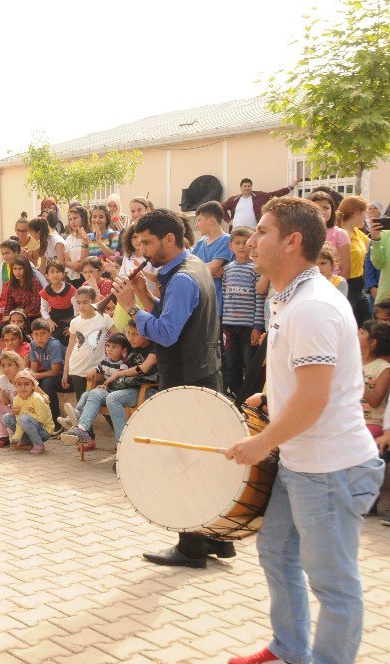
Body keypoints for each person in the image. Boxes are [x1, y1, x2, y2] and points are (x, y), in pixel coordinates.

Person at [224, 196, 385, 664]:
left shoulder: (312, 307)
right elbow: (307, 381)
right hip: (303, 463)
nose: (252, 242)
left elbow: (314, 400)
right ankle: (289, 648)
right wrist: (270, 397)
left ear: (293, 241)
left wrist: (259, 444)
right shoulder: (289, 296)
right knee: (276, 552)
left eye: (264, 233)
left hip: (331, 469)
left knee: (335, 586)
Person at [112, 208, 234, 569]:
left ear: (169, 239)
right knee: (204, 460)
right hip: (201, 374)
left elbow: (165, 333)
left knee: (186, 462)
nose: (144, 251)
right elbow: (169, 315)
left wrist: (131, 310)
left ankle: (191, 548)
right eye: (139, 244)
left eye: (147, 242)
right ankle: (218, 541)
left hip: (188, 380)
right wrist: (142, 293)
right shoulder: (192, 266)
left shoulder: (181, 278)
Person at [60, 333, 131, 450]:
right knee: (87, 393)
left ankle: (76, 417)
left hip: (115, 392)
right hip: (104, 391)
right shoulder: (105, 360)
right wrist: (93, 370)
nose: (110, 349)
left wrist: (105, 386)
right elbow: (98, 368)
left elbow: (120, 382)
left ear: (123, 350)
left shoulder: (123, 364)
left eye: (114, 347)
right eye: (108, 346)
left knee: (91, 393)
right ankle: (74, 415)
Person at [219, 226, 266, 398]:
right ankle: (236, 398)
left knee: (250, 364)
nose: (241, 247)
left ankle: (251, 399)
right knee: (231, 364)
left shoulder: (256, 269)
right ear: (230, 246)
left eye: (245, 243)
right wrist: (224, 322)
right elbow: (225, 295)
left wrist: (257, 326)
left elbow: (259, 298)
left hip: (248, 327)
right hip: (229, 326)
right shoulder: (228, 269)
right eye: (237, 243)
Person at [61, 286, 113, 401]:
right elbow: (70, 347)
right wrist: (65, 372)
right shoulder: (75, 322)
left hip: (97, 368)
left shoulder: (104, 318)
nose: (81, 306)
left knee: (100, 400)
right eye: (78, 303)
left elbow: (118, 337)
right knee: (82, 401)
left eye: (85, 302)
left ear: (94, 301)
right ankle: (77, 417)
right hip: (77, 368)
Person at [192, 201, 235, 312]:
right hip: (201, 305)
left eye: (199, 220)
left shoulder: (226, 240)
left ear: (211, 220)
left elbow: (211, 268)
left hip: (218, 307)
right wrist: (207, 269)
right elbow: (187, 267)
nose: (197, 224)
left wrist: (207, 269)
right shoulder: (201, 243)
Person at [337, 195, 373, 325]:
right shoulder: (341, 234)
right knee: (347, 324)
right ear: (356, 213)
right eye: (365, 213)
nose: (366, 217)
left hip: (359, 284)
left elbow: (371, 245)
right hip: (347, 284)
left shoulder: (357, 232)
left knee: (367, 323)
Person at [1, 369, 55, 454]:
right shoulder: (17, 399)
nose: (23, 387)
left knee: (23, 418)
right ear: (16, 386)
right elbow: (19, 419)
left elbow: (42, 419)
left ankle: (39, 444)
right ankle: (25, 440)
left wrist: (22, 411)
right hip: (27, 424)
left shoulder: (37, 398)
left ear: (33, 386)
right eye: (19, 384)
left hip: (44, 431)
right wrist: (17, 435)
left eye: (26, 384)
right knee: (7, 417)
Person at [222, 177, 299, 228]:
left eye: (249, 186)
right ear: (240, 187)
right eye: (245, 186)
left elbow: (275, 194)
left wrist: (291, 187)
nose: (247, 188)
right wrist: (229, 220)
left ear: (252, 187)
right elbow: (221, 208)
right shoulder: (233, 200)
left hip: (253, 232)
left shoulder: (259, 196)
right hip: (236, 232)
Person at [359, 320, 390, 438]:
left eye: (362, 333)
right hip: (351, 422)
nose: (358, 332)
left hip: (372, 423)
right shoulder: (352, 361)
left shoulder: (384, 368)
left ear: (372, 342)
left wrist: (360, 381)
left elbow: (375, 401)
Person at [28, 318, 66, 414]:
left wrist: (36, 376)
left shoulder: (54, 345)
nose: (39, 338)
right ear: (32, 335)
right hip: (49, 374)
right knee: (28, 382)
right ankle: (35, 414)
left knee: (47, 383)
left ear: (50, 334)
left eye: (43, 334)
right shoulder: (33, 344)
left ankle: (55, 419)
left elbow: (56, 371)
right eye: (36, 334)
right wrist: (31, 376)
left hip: (65, 376)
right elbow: (33, 369)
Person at [308, 191, 350, 277]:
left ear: (332, 210)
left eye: (326, 208)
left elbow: (345, 267)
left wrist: (336, 288)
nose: (322, 212)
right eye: (317, 208)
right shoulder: (302, 233)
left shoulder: (340, 234)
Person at [39, 260, 77, 344]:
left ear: (63, 274)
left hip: (69, 318)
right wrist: (49, 321)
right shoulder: (45, 291)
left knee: (68, 339)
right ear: (47, 276)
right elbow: (43, 310)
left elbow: (76, 310)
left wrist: (72, 326)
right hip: (54, 319)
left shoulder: (71, 289)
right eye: (52, 272)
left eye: (58, 271)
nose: (55, 274)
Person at [64, 206, 90, 286]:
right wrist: (74, 265)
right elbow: (66, 260)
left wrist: (81, 265)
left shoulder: (90, 236)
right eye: (70, 219)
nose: (72, 222)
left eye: (75, 218)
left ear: (83, 219)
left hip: (87, 276)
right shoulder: (69, 238)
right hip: (71, 278)